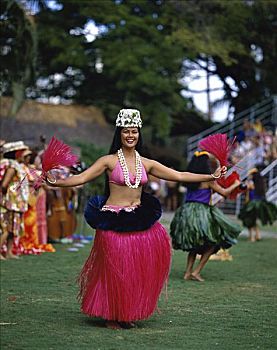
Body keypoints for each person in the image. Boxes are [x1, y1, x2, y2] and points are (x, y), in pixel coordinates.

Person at [45, 109, 227, 329]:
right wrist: (56, 182)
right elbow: (81, 177)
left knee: (134, 272)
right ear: (119, 134)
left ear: (139, 134)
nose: (130, 135)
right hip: (113, 222)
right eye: (126, 132)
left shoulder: (147, 163)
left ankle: (126, 313)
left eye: (134, 131)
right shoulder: (108, 161)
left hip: (139, 221)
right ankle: (112, 315)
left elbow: (178, 175)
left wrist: (211, 176)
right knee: (115, 271)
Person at [170, 151, 242, 282]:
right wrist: (236, 184)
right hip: (201, 213)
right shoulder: (207, 180)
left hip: (186, 212)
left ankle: (187, 272)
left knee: (195, 243)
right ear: (205, 165)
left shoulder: (189, 179)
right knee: (214, 243)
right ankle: (196, 272)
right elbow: (224, 193)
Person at [0, 141, 29, 259]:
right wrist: (7, 198)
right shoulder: (12, 166)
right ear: (16, 153)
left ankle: (9, 252)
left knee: (14, 229)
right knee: (7, 229)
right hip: (11, 203)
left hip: (18, 203)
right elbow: (4, 184)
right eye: (22, 152)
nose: (24, 154)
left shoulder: (17, 165)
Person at [238, 168, 277, 242]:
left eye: (251, 175)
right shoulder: (260, 184)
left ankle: (252, 237)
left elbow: (246, 190)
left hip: (252, 204)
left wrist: (246, 182)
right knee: (253, 220)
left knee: (249, 220)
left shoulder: (251, 183)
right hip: (258, 204)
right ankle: (258, 235)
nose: (250, 176)